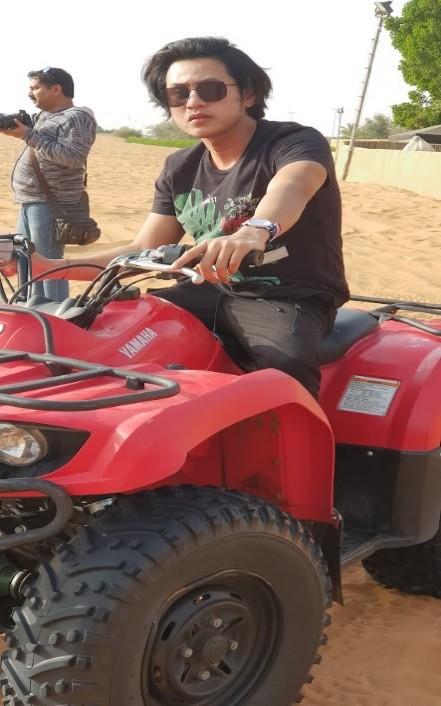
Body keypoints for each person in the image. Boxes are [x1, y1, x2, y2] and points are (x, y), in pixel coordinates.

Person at [0, 37, 349, 400]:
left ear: (248, 94)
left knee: (285, 367)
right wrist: (49, 267)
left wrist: (255, 230)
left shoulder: (292, 141)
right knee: (106, 337)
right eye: (178, 94)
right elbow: (142, 249)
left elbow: (294, 185)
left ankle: (297, 434)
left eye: (211, 89)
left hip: (287, 295)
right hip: (205, 289)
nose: (193, 102)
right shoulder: (180, 167)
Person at [0, 66, 97, 301]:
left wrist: (27, 135)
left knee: (49, 267)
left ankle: (54, 311)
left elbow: (72, 157)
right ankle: (34, 307)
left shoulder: (77, 117)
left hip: (51, 204)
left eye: (35, 88)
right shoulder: (44, 117)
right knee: (27, 261)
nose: (30, 93)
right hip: (31, 201)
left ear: (56, 89)